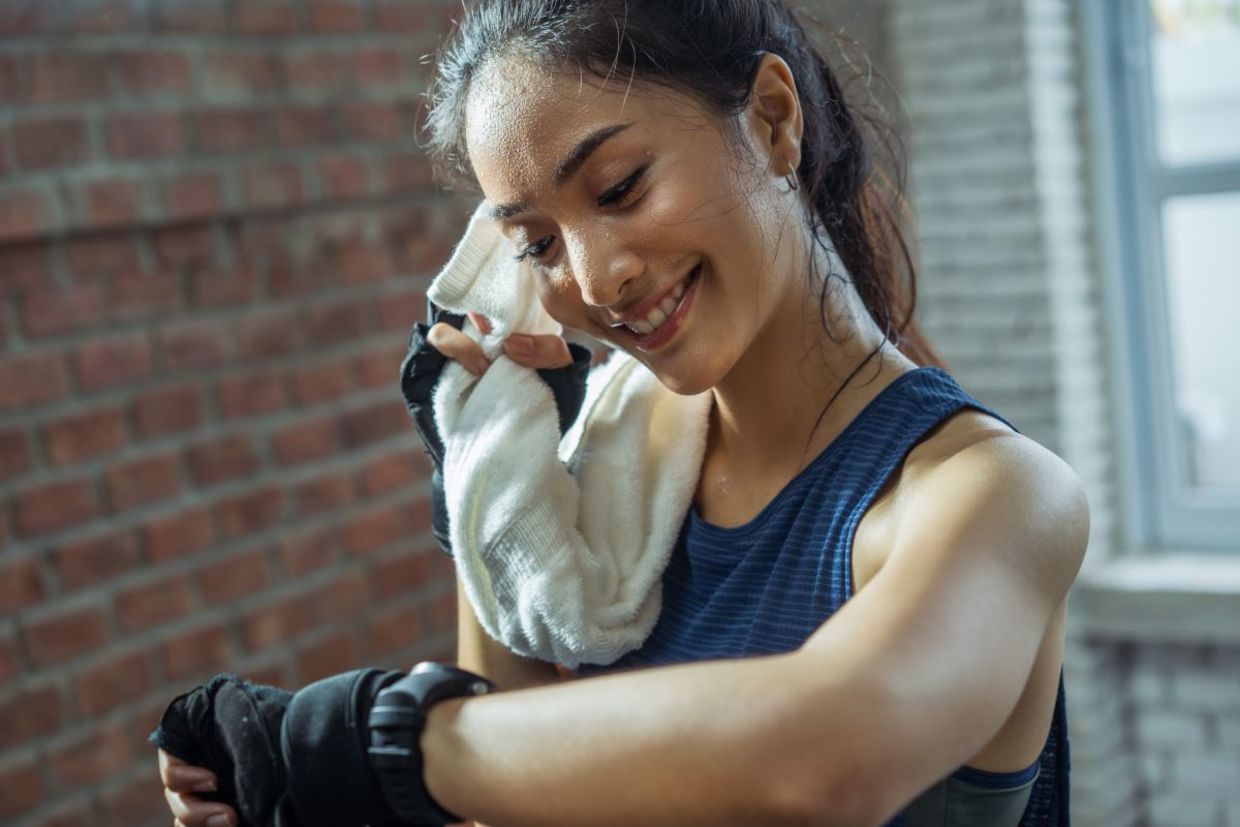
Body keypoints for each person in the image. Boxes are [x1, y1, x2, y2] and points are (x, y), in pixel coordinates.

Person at [157, 1, 1089, 825]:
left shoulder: (993, 495)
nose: (597, 281)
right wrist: (486, 466)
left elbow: (827, 760)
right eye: (538, 243)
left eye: (618, 188)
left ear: (772, 120)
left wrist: (383, 745)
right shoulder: (617, 487)